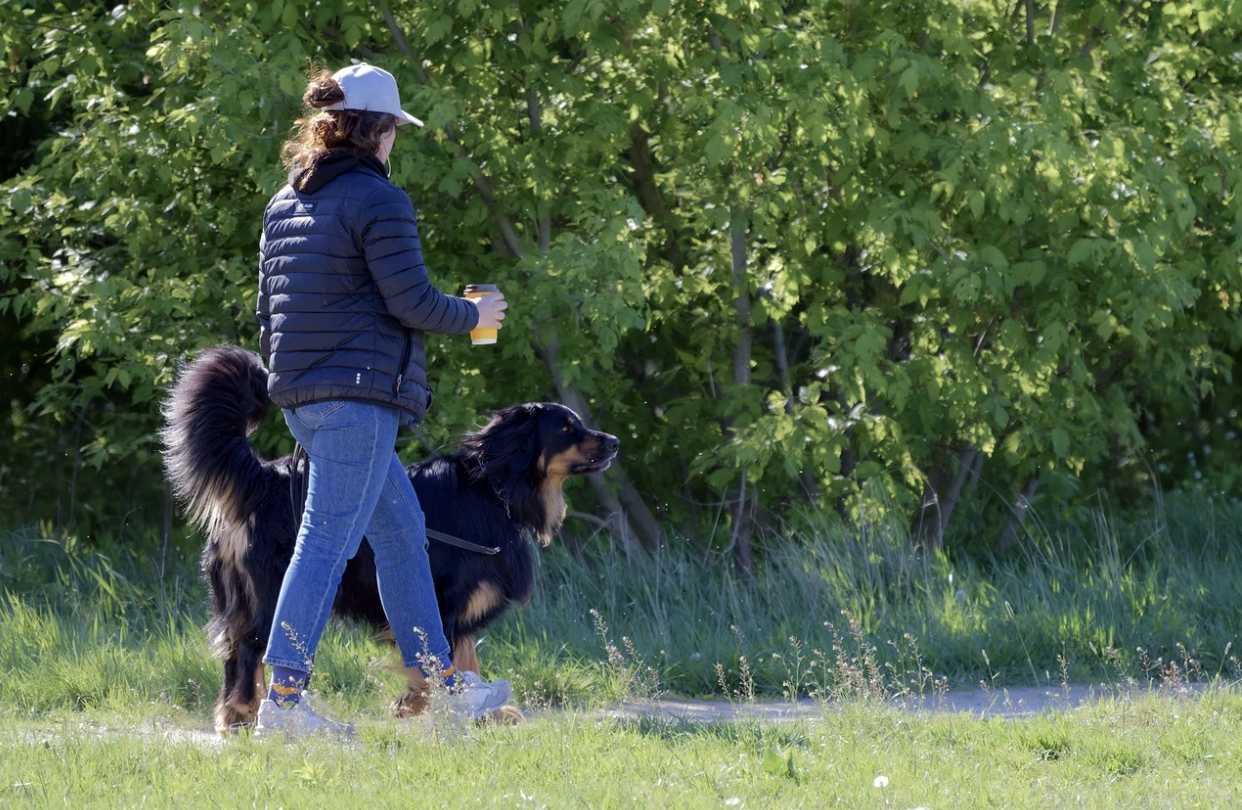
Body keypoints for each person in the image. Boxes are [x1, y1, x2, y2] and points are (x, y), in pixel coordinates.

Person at [252, 63, 510, 737]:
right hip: (357, 400)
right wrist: (475, 315)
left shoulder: (284, 203)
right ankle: (282, 702)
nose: (396, 139)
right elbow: (414, 303)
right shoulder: (378, 200)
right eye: (394, 127)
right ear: (373, 129)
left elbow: (266, 312)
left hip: (305, 398)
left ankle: (445, 686)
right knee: (325, 542)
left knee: (400, 537)